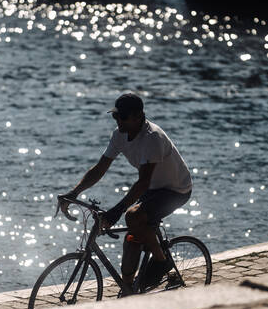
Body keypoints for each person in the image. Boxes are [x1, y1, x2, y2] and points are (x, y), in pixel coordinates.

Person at [60, 92, 193, 293]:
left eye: (122, 117)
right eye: (115, 116)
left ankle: (161, 262)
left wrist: (118, 210)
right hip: (153, 189)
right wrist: (74, 192)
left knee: (132, 216)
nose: (117, 121)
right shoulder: (119, 134)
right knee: (131, 240)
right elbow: (100, 168)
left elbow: (143, 181)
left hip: (176, 190)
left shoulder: (152, 138)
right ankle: (129, 289)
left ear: (138, 116)